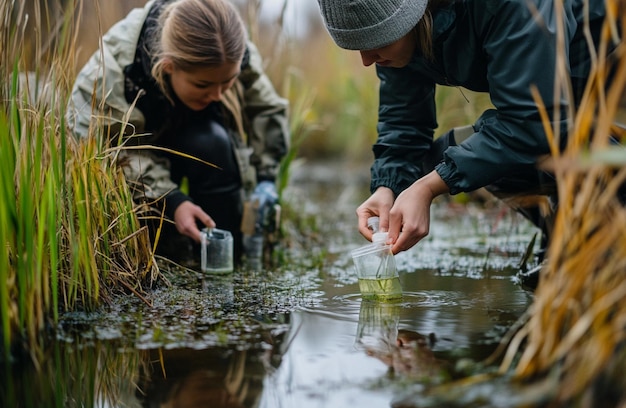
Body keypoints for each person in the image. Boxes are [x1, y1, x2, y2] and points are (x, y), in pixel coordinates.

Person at [316, 0, 619, 271]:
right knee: (462, 155)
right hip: (561, 95)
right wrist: (388, 187)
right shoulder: (398, 34)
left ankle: (606, 244)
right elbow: (403, 123)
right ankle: (574, 246)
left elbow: (531, 125)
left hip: (612, 71)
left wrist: (429, 187)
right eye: (357, 46)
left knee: (480, 153)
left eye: (375, 42)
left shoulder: (512, 6)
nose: (366, 60)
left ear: (410, 16)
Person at [68, 0, 289, 265]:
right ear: (169, 66)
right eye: (203, 84)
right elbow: (109, 153)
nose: (218, 95)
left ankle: (230, 258)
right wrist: (173, 200)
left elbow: (267, 110)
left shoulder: (232, 50)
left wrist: (266, 178)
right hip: (140, 149)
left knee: (212, 144)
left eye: (227, 82)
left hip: (199, 137)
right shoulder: (110, 73)